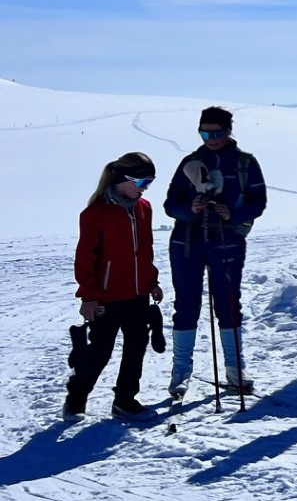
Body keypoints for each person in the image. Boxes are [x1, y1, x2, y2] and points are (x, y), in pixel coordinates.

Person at [163, 106, 268, 398]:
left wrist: (232, 215)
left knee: (228, 303)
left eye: (217, 132)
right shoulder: (191, 162)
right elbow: (170, 204)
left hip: (227, 239)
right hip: (187, 241)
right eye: (204, 132)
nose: (211, 138)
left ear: (229, 131)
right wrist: (191, 209)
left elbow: (258, 202)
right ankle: (180, 374)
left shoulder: (246, 163)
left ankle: (235, 371)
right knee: (186, 305)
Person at [66, 152, 165, 418]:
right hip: (106, 297)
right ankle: (75, 400)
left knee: (136, 346)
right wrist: (88, 297)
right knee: (100, 352)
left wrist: (151, 281)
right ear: (123, 179)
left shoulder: (144, 209)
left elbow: (145, 251)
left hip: (137, 295)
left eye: (149, 182)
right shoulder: (96, 213)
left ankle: (125, 400)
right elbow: (85, 257)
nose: (145, 188)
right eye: (142, 182)